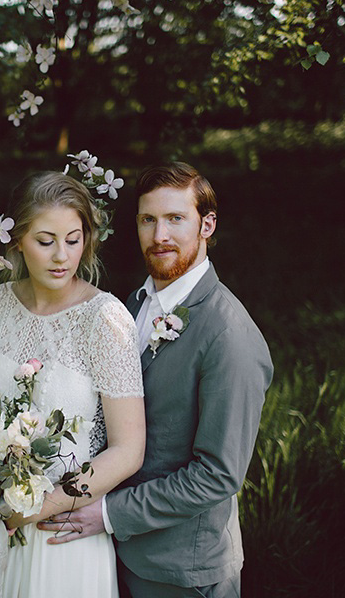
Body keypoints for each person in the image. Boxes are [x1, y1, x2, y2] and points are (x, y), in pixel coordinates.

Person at [37, 162, 273, 598]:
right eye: (148, 220)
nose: (159, 235)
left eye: (175, 219)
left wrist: (108, 513)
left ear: (208, 224)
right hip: (115, 557)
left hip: (182, 569)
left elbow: (217, 476)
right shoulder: (134, 304)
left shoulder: (230, 337)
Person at [0, 171, 146, 598]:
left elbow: (129, 450)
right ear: (17, 239)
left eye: (74, 239)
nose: (62, 255)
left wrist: (42, 507)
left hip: (60, 531)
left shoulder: (105, 319)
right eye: (45, 241)